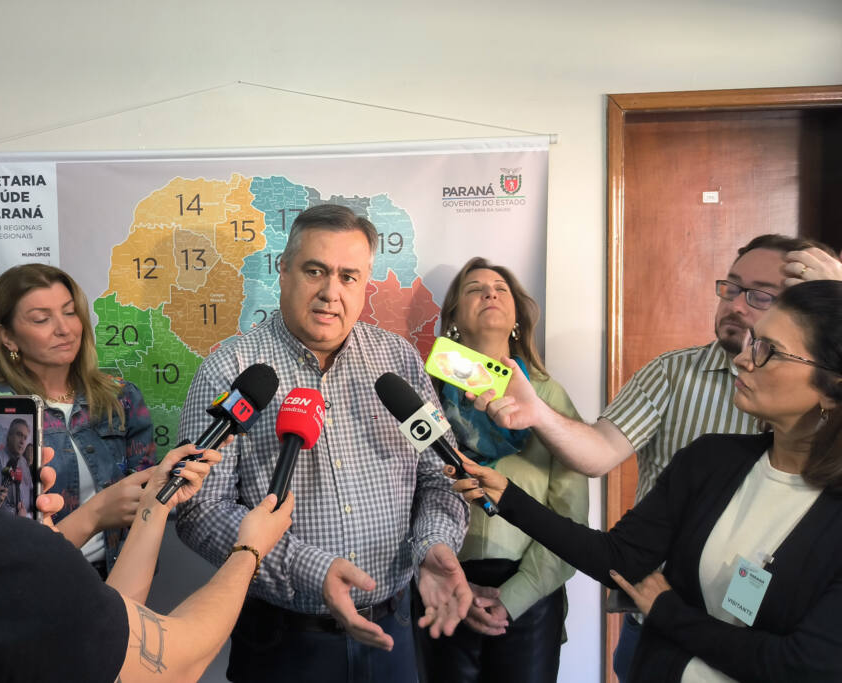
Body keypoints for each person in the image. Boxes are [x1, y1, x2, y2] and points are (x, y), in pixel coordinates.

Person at [0, 159, 294, 682]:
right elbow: (173, 663)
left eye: (68, 312)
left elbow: (104, 624)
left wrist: (154, 502)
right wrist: (251, 546)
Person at [473, 233, 841, 678]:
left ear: (831, 385)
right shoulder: (710, 452)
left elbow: (803, 663)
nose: (745, 359)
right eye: (732, 287)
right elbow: (619, 550)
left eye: (761, 297)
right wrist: (509, 492)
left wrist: (669, 612)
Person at [175, 203, 472, 682]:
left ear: (366, 282)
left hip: (395, 629)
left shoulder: (397, 360)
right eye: (315, 271)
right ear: (283, 270)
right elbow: (199, 510)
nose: (331, 293)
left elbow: (442, 473)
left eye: (348, 276)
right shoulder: (230, 371)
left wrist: (434, 543)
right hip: (282, 642)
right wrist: (313, 569)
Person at [418, 258, 588, 683]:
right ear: (453, 318)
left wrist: (514, 596)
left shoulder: (548, 398)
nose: (489, 293)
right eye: (474, 288)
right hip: (442, 588)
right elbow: (404, 495)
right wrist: (451, 581)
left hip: (529, 597)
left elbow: (570, 516)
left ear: (516, 318)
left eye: (501, 288)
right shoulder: (425, 395)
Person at [0, 263, 158, 575]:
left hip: (120, 576)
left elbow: (148, 497)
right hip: (40, 578)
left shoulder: (121, 396)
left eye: (70, 312)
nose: (64, 329)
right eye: (42, 319)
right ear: (7, 337)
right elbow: (2, 527)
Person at [0, 417, 34, 516]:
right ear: (9, 436)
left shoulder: (24, 462)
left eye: (25, 438)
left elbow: (30, 489)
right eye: (19, 435)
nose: (22, 441)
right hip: (6, 521)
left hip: (28, 519)